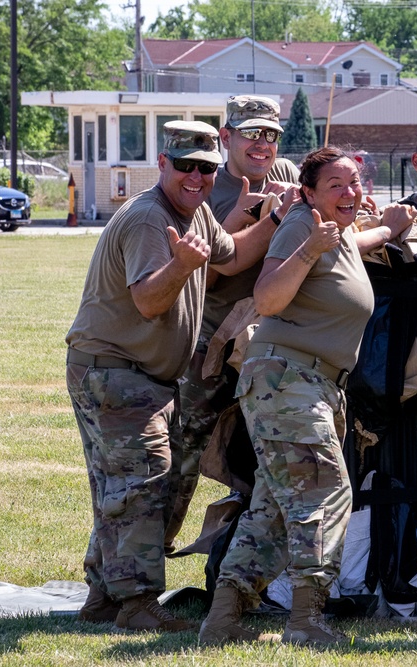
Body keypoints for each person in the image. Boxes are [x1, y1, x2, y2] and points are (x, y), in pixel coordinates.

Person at [66, 121, 284, 632]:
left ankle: (103, 598)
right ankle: (137, 605)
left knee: (122, 487)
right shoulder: (149, 219)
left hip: (135, 374)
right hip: (117, 372)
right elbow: (147, 300)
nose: (196, 176)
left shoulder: (196, 210)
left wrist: (274, 219)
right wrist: (183, 266)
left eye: (206, 168)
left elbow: (228, 256)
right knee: (143, 484)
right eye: (184, 165)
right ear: (163, 164)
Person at [198, 148, 417, 646]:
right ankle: (306, 620)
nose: (349, 193)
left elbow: (356, 241)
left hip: (308, 384)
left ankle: (223, 618)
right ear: (308, 193)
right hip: (287, 380)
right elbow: (270, 297)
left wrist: (390, 228)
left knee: (274, 505)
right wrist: (308, 249)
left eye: (355, 183)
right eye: (335, 185)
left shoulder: (332, 233)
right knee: (326, 492)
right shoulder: (302, 226)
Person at [170, 95, 300, 554]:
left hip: (267, 345)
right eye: (250, 133)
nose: (261, 144)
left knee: (263, 456)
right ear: (227, 137)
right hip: (207, 345)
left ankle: (247, 563)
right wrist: (250, 216)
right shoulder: (204, 185)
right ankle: (143, 568)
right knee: (181, 457)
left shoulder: (286, 175)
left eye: (270, 134)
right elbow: (209, 264)